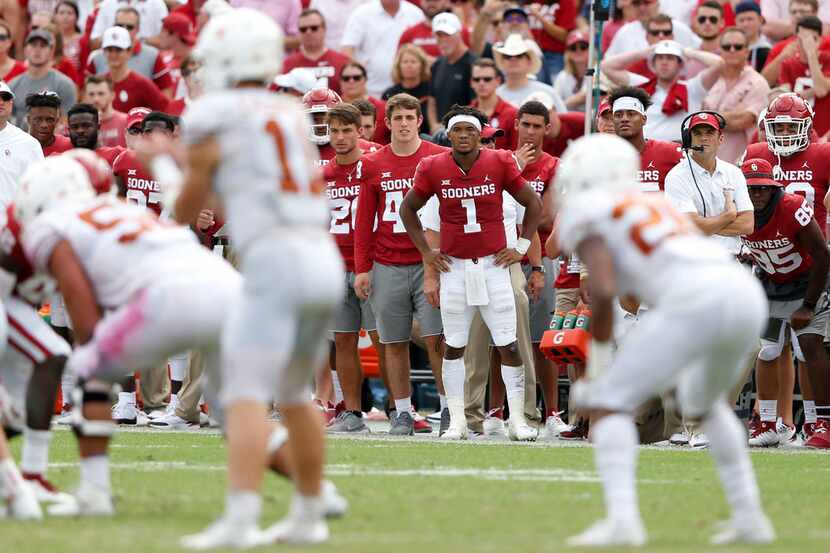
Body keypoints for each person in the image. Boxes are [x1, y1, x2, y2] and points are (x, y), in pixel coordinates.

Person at [142, 8, 344, 546]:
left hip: (276, 257)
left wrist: (163, 167)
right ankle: (307, 515)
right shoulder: (290, 111)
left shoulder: (216, 110)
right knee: (296, 394)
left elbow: (188, 205)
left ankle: (240, 518)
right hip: (321, 256)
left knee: (243, 393)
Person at [556, 133, 774, 548]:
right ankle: (750, 517)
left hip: (693, 299)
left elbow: (601, 289)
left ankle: (622, 521)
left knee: (610, 402)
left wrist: (599, 367)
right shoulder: (654, 201)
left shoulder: (589, 209)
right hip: (742, 292)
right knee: (702, 402)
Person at [398, 104, 542, 440]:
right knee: (454, 345)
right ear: (449, 135)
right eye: (458, 131)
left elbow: (533, 204)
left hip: (493, 265)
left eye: (470, 131)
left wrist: (520, 247)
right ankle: (459, 420)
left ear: (480, 134)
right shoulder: (433, 166)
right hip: (456, 267)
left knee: (507, 343)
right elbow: (408, 209)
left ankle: (517, 419)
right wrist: (426, 253)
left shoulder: (500, 161)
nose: (464, 136)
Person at [353, 93, 446, 435]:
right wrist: (363, 267)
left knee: (438, 339)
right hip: (388, 260)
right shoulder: (374, 162)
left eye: (410, 117)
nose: (404, 124)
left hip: (429, 261)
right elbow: (365, 221)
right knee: (393, 342)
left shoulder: (439, 157)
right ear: (387, 123)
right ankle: (402, 411)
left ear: (420, 121)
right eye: (398, 118)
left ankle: (448, 407)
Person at [746, 93, 830, 444]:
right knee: (766, 347)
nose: (782, 132)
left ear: (807, 126)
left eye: (789, 126)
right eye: (777, 126)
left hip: (812, 259)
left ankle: (816, 422)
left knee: (806, 347)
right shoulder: (756, 155)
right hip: (768, 261)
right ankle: (767, 422)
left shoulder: (822, 154)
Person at [323, 103, 385, 433]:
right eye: (335, 130)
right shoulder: (323, 175)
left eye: (347, 130)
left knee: (385, 339)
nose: (341, 137)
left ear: (360, 131)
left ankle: (400, 407)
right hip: (335, 265)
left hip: (371, 265)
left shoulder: (374, 166)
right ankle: (352, 412)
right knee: (343, 341)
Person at [665, 111, 754, 257]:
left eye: (709, 133)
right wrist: (729, 215)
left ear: (720, 139)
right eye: (698, 133)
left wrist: (704, 225)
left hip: (731, 260)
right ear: (689, 140)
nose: (703, 138)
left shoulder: (734, 172)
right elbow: (688, 226)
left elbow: (747, 224)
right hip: (694, 261)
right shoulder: (676, 177)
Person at [602, 40, 724, 141]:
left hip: (681, 153)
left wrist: (688, 52)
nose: (664, 62)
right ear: (653, 64)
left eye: (670, 58)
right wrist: (646, 52)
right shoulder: (641, 86)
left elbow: (719, 64)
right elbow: (607, 66)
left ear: (680, 64)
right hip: (647, 151)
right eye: (659, 58)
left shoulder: (692, 88)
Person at [701, 27, 770, 163]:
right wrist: (729, 116)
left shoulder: (757, 82)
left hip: (741, 165)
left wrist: (707, 117)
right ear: (720, 50)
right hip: (706, 163)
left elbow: (743, 120)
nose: (732, 50)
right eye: (727, 47)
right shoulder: (711, 79)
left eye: (737, 47)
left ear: (746, 51)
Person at [341, 0, 424, 97]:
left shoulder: (415, 13)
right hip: (371, 90)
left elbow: (422, 51)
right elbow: (347, 48)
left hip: (407, 90)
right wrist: (358, 72)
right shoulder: (361, 13)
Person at [608, 86, 683, 193]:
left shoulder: (672, 153)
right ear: (613, 120)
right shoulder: (603, 157)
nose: (624, 119)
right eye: (618, 115)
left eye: (631, 114)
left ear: (644, 119)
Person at [87, 7, 175, 95]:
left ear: (138, 29)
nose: (124, 29)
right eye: (120, 25)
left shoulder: (153, 55)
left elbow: (166, 90)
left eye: (129, 27)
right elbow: (85, 91)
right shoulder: (97, 57)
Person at [8, 29, 77, 128]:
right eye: (33, 45)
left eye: (43, 46)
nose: (37, 50)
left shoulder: (64, 84)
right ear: (25, 50)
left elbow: (67, 123)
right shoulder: (12, 85)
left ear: (51, 51)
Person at [776, 16, 830, 137]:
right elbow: (785, 102)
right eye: (803, 39)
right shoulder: (787, 64)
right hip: (797, 134)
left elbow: (821, 90)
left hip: (824, 135)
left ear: (820, 40)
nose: (807, 43)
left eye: (812, 39)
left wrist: (811, 55)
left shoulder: (828, 60)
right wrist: (813, 91)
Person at [112, 111, 174, 214]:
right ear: (142, 134)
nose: (154, 136)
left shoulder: (181, 165)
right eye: (149, 131)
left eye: (161, 132)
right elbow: (117, 202)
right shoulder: (124, 159)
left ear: (171, 135)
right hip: (134, 227)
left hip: (168, 228)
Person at [99, 26, 168, 113]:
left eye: (118, 50)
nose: (113, 54)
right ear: (104, 52)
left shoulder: (142, 84)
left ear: (129, 51)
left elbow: (166, 109)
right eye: (109, 50)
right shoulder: (99, 83)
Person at [427, 12, 477, 133]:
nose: (443, 40)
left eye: (447, 35)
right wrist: (434, 125)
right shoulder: (438, 63)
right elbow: (432, 100)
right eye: (439, 35)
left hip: (464, 133)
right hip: (439, 132)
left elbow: (477, 104)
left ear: (459, 34)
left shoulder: (473, 64)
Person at [282, 9, 349, 95]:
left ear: (324, 29)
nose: (308, 32)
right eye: (303, 29)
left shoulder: (342, 62)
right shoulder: (287, 64)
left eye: (314, 28)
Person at [494, 33, 566, 111]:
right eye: (507, 56)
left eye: (519, 55)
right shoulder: (495, 95)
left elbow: (562, 120)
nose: (513, 59)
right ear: (502, 62)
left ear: (529, 62)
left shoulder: (548, 92)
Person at [0, 82, 44, 208]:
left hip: (11, 224)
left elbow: (38, 187)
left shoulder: (28, 144)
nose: (1, 102)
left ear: (11, 103)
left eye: (5, 97)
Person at [606, 0, 701, 56]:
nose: (642, 8)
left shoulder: (679, 29)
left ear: (657, 3)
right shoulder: (625, 32)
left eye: (647, 2)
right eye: (637, 3)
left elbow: (699, 51)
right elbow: (607, 62)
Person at [382, 44, 431, 135]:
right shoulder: (389, 93)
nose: (409, 65)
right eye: (405, 62)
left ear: (422, 65)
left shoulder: (431, 90)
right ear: (398, 66)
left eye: (413, 62)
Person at [469, 57, 517, 151]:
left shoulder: (512, 114)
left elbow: (515, 154)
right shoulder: (465, 114)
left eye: (487, 79)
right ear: (471, 82)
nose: (481, 83)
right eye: (476, 79)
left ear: (498, 81)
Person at [398, 0, 471, 58]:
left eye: (436, 0)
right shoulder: (409, 34)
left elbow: (471, 61)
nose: (431, 3)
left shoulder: (461, 32)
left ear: (447, 1)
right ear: (421, 1)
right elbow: (398, 66)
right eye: (427, 0)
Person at [339, 62, 389, 144]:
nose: (351, 81)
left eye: (357, 78)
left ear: (365, 79)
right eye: (346, 78)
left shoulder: (384, 108)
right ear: (340, 81)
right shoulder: (333, 108)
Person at [90, 0, 169, 48]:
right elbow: (94, 42)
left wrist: (139, 41)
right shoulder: (107, 4)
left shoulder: (157, 3)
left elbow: (165, 41)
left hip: (146, 59)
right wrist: (115, 39)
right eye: (120, 26)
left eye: (130, 27)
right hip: (112, 58)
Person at [84, 75, 127, 147]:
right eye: (91, 94)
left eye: (101, 94)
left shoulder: (126, 122)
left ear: (112, 95)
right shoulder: (79, 125)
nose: (95, 99)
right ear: (85, 96)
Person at [552, 30, 590, 112]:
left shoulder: (598, 71)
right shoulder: (562, 76)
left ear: (591, 50)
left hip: (593, 121)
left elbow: (586, 96)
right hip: (568, 119)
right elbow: (555, 101)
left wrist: (561, 105)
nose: (578, 51)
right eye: (573, 48)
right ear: (568, 52)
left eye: (583, 47)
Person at [26, 91, 72, 156]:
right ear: (28, 120)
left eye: (50, 120)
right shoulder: (17, 146)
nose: (44, 125)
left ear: (57, 121)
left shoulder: (69, 146)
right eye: (38, 119)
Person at [735, 1, 773, 72]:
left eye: (750, 19)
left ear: (760, 20)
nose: (745, 24)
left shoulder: (767, 51)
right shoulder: (730, 48)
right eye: (741, 20)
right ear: (735, 22)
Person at [54, 0, 82, 72]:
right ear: (55, 16)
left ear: (77, 17)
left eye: (70, 13)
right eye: (61, 13)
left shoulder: (82, 40)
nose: (65, 17)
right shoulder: (51, 38)